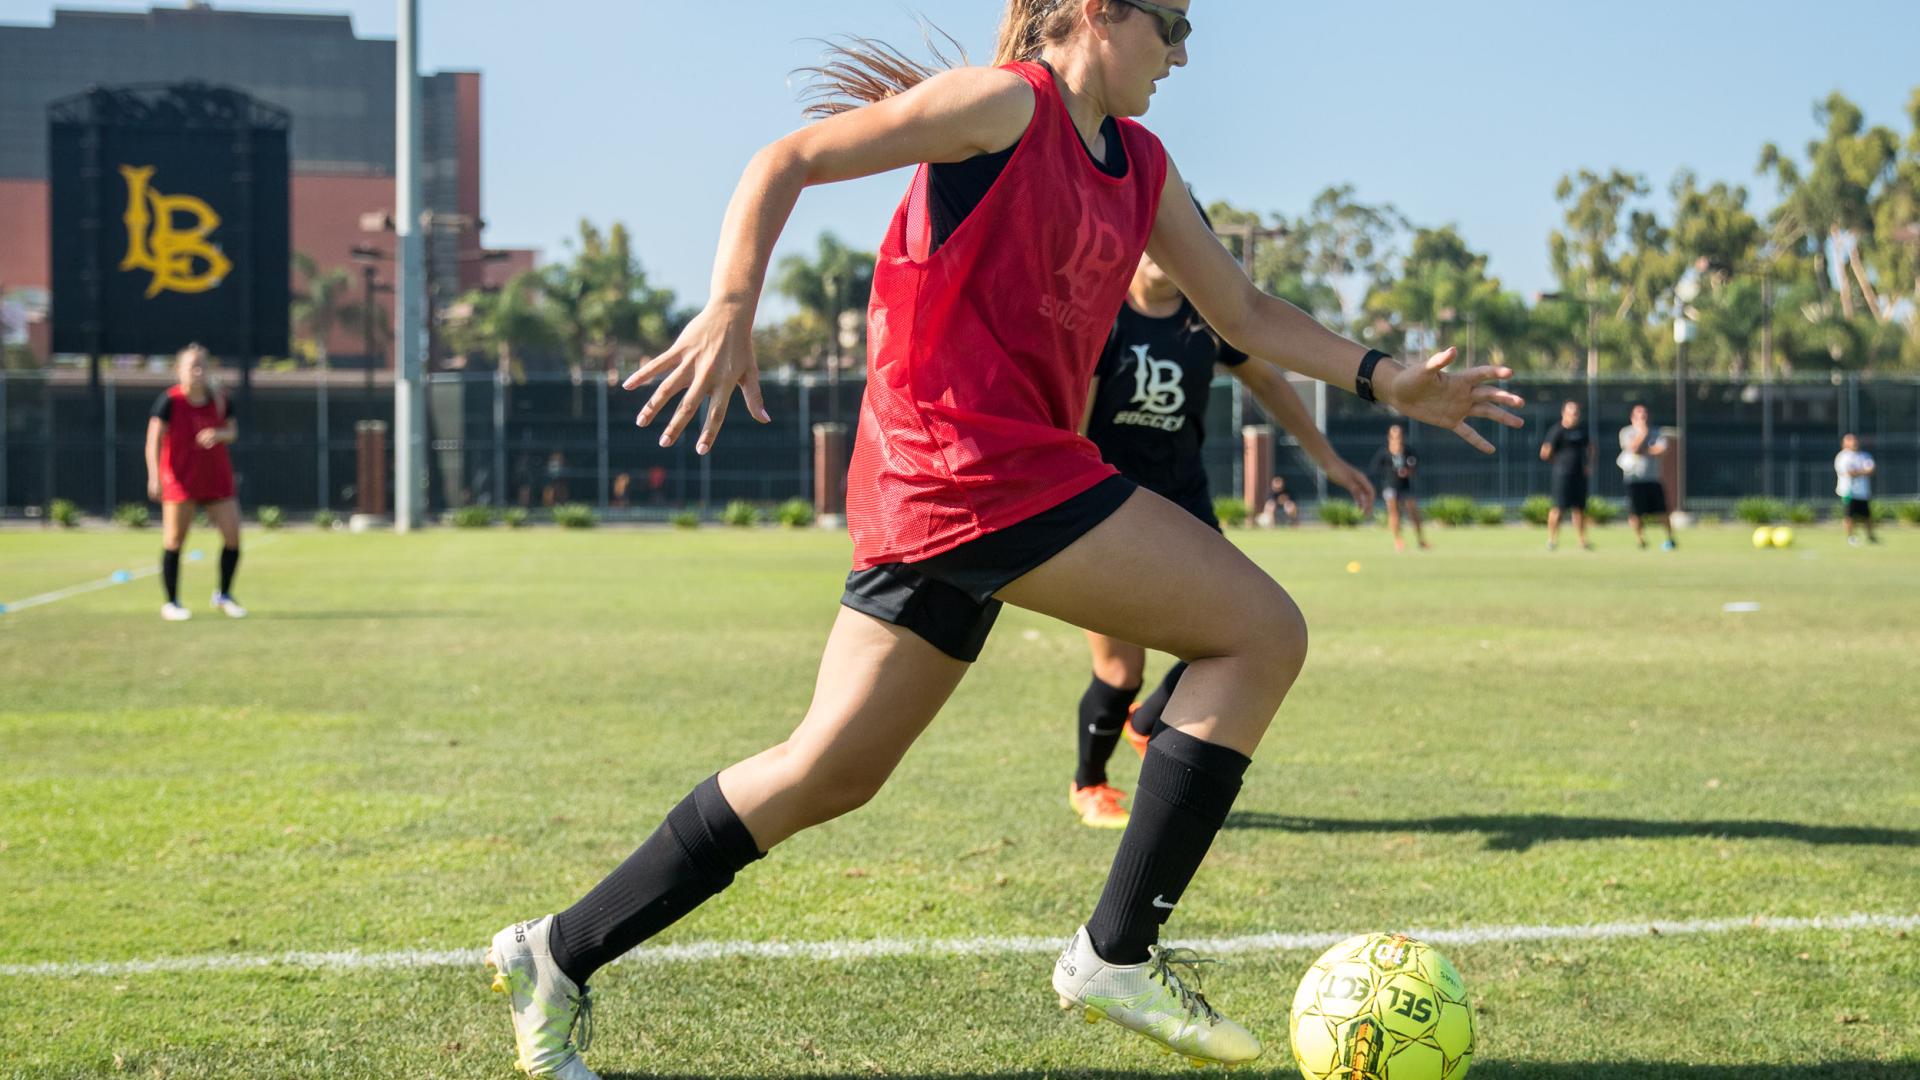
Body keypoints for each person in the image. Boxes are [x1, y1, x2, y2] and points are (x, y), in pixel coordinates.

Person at [485, 5, 1522, 1076]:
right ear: (1094, 13)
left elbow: (1245, 312)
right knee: (1260, 633)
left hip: (952, 486)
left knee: (828, 771)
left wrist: (1388, 377)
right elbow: (786, 158)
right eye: (1170, 25)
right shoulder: (1002, 105)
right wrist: (731, 302)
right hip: (967, 468)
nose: (1182, 54)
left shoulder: (1143, 165)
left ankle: (555, 952)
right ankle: (1116, 952)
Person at [1067, 244, 1376, 829]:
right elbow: (1074, 420)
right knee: (1119, 670)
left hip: (1185, 508)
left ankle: (1144, 727)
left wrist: (1327, 460)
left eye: (1178, 235)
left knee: (1235, 630)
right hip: (1110, 508)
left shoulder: (1205, 320)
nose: (1164, 249)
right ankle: (1089, 784)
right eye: (1153, 237)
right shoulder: (1102, 317)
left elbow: (1271, 383)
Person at [143, 343, 245, 621]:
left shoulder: (220, 399)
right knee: (174, 540)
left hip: (216, 478)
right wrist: (154, 475)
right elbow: (153, 440)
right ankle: (172, 602)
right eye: (192, 366)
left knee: (233, 536)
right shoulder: (170, 401)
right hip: (180, 480)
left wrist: (219, 434)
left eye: (202, 366)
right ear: (180, 370)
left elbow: (232, 430)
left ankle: (223, 595)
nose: (198, 371)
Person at [1617, 403, 1674, 550]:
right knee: (1636, 513)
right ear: (1632, 418)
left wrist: (1643, 451)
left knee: (1662, 511)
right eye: (1639, 415)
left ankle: (1669, 539)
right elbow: (1633, 448)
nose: (1643, 418)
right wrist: (1642, 433)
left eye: (1645, 415)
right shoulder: (1626, 432)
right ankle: (1641, 540)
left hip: (1653, 479)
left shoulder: (1657, 432)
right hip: (1634, 480)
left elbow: (1661, 450)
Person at [1540, 399, 1593, 551]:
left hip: (1579, 475)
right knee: (1558, 508)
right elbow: (1545, 452)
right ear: (1564, 413)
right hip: (1562, 475)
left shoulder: (1582, 430)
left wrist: (1589, 464)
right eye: (1571, 412)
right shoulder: (1557, 430)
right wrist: (1558, 463)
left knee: (1579, 509)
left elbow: (1591, 447)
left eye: (1576, 412)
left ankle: (1582, 541)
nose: (1574, 415)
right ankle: (1552, 540)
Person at [1370, 423, 1428, 552]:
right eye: (1394, 436)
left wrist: (1408, 472)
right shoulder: (1384, 452)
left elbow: (1415, 467)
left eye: (1400, 435)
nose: (1398, 438)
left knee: (1414, 512)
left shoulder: (1408, 451)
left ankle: (1421, 541)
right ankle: (1398, 540)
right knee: (1394, 512)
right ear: (1389, 437)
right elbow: (1375, 467)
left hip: (1405, 487)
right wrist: (1391, 471)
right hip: (1390, 486)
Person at [1835, 432, 1878, 545]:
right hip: (1848, 491)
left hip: (1863, 492)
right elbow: (1849, 473)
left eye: (1855, 439)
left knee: (1867, 516)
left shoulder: (1865, 455)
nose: (1854, 442)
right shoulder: (1842, 457)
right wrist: (1863, 471)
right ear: (1844, 444)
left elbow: (1871, 469)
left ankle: (1870, 537)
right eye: (1850, 440)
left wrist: (1858, 471)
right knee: (1849, 516)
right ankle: (1851, 537)